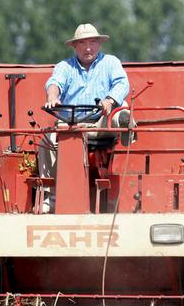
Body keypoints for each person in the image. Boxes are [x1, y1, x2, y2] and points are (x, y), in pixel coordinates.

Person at [39, 23, 131, 212]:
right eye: (82, 43)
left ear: (99, 44)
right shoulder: (65, 67)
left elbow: (122, 83)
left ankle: (126, 126)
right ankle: (52, 196)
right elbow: (54, 83)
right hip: (72, 124)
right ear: (75, 46)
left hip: (101, 121)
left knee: (120, 109)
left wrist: (109, 99)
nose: (88, 48)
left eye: (92, 42)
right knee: (47, 141)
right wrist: (52, 97)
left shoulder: (111, 63)